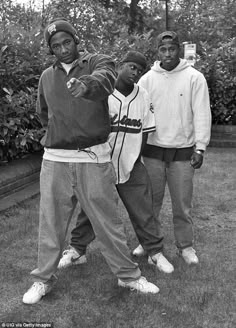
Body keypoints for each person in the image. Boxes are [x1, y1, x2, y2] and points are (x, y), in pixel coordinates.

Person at [22, 18, 160, 305]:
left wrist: (85, 86)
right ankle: (42, 280)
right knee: (51, 223)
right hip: (56, 160)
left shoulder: (98, 62)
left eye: (67, 42)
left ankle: (129, 276)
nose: (63, 49)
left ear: (76, 40)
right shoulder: (47, 77)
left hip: (94, 159)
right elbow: (43, 114)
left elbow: (105, 80)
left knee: (108, 222)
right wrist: (63, 131)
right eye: (56, 46)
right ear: (51, 50)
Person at [58, 51, 174, 274]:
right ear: (120, 65)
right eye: (131, 67)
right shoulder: (103, 93)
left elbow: (145, 132)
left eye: (139, 70)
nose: (135, 72)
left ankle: (154, 252)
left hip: (131, 164)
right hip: (101, 163)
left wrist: (135, 159)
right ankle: (77, 250)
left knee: (143, 211)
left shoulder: (143, 96)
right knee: (91, 210)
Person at [135, 31, 212, 264]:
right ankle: (147, 243)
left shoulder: (194, 77)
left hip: (183, 152)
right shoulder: (147, 79)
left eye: (172, 48)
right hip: (153, 153)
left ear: (179, 49)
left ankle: (185, 246)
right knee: (150, 203)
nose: (167, 53)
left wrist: (200, 147)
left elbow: (201, 112)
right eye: (163, 49)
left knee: (182, 204)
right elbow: (137, 115)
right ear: (157, 51)